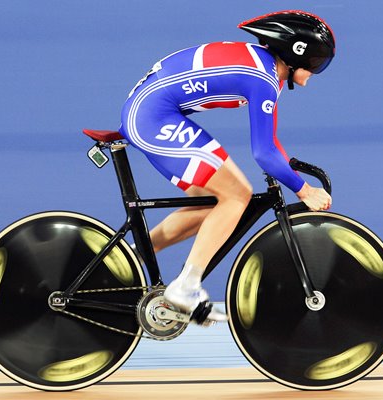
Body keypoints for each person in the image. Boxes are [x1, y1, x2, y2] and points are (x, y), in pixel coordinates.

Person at [119, 10, 335, 325]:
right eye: (316, 62)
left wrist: (288, 169)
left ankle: (125, 263)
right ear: (295, 53)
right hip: (152, 116)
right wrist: (303, 189)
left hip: (150, 112)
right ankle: (186, 287)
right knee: (237, 196)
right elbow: (263, 152)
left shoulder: (260, 65)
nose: (316, 71)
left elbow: (270, 145)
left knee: (212, 203)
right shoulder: (263, 77)